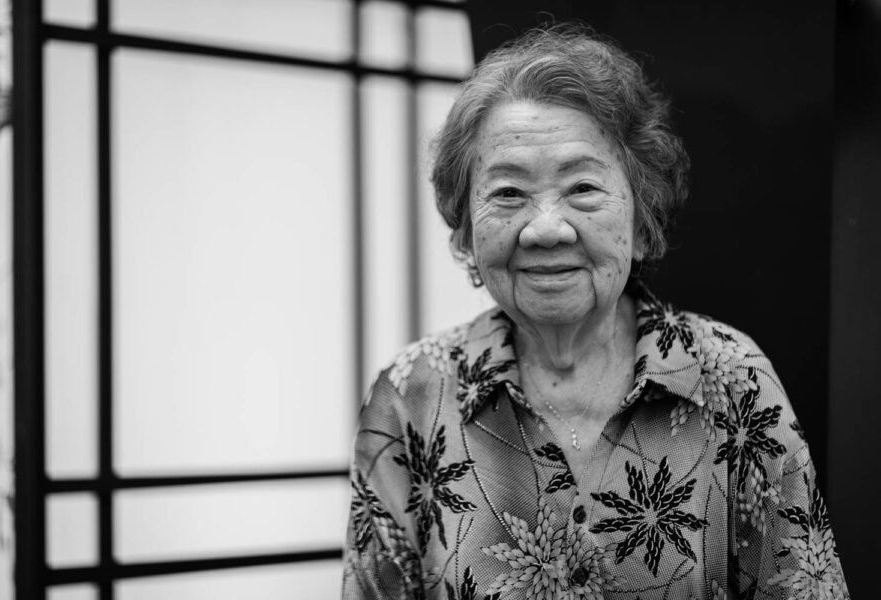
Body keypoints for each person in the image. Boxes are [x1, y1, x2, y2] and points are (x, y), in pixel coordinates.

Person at [342, 24, 849, 600]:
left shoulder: (732, 378)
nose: (547, 229)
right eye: (508, 193)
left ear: (641, 218)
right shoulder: (411, 395)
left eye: (582, 187)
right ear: (465, 230)